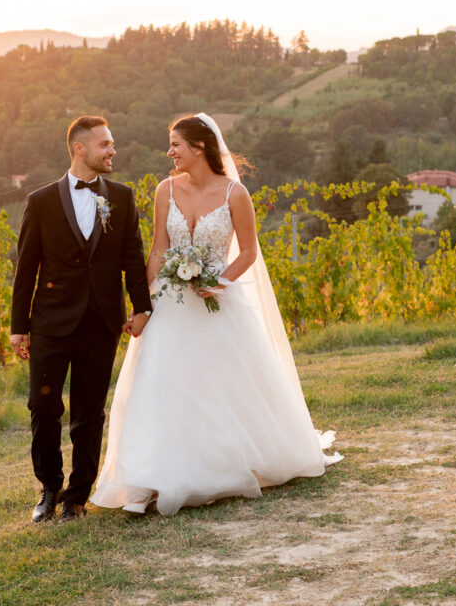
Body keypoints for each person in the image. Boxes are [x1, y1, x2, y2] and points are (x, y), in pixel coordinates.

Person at [90, 113, 342, 516]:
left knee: (219, 385)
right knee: (157, 385)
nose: (169, 152)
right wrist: (143, 306)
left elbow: (248, 251)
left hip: (215, 302)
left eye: (175, 144)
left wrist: (219, 281)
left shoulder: (235, 194)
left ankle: (218, 465)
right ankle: (145, 478)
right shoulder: (164, 190)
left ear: (199, 147)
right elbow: (157, 249)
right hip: (170, 303)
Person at [10, 115, 153, 524]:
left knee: (90, 412)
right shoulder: (40, 201)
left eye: (112, 144)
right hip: (50, 322)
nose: (112, 151)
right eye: (105, 144)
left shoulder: (123, 198)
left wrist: (141, 308)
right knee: (43, 406)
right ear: (79, 148)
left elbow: (131, 258)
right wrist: (20, 326)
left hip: (100, 322)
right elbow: (26, 268)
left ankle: (77, 496)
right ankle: (49, 489)